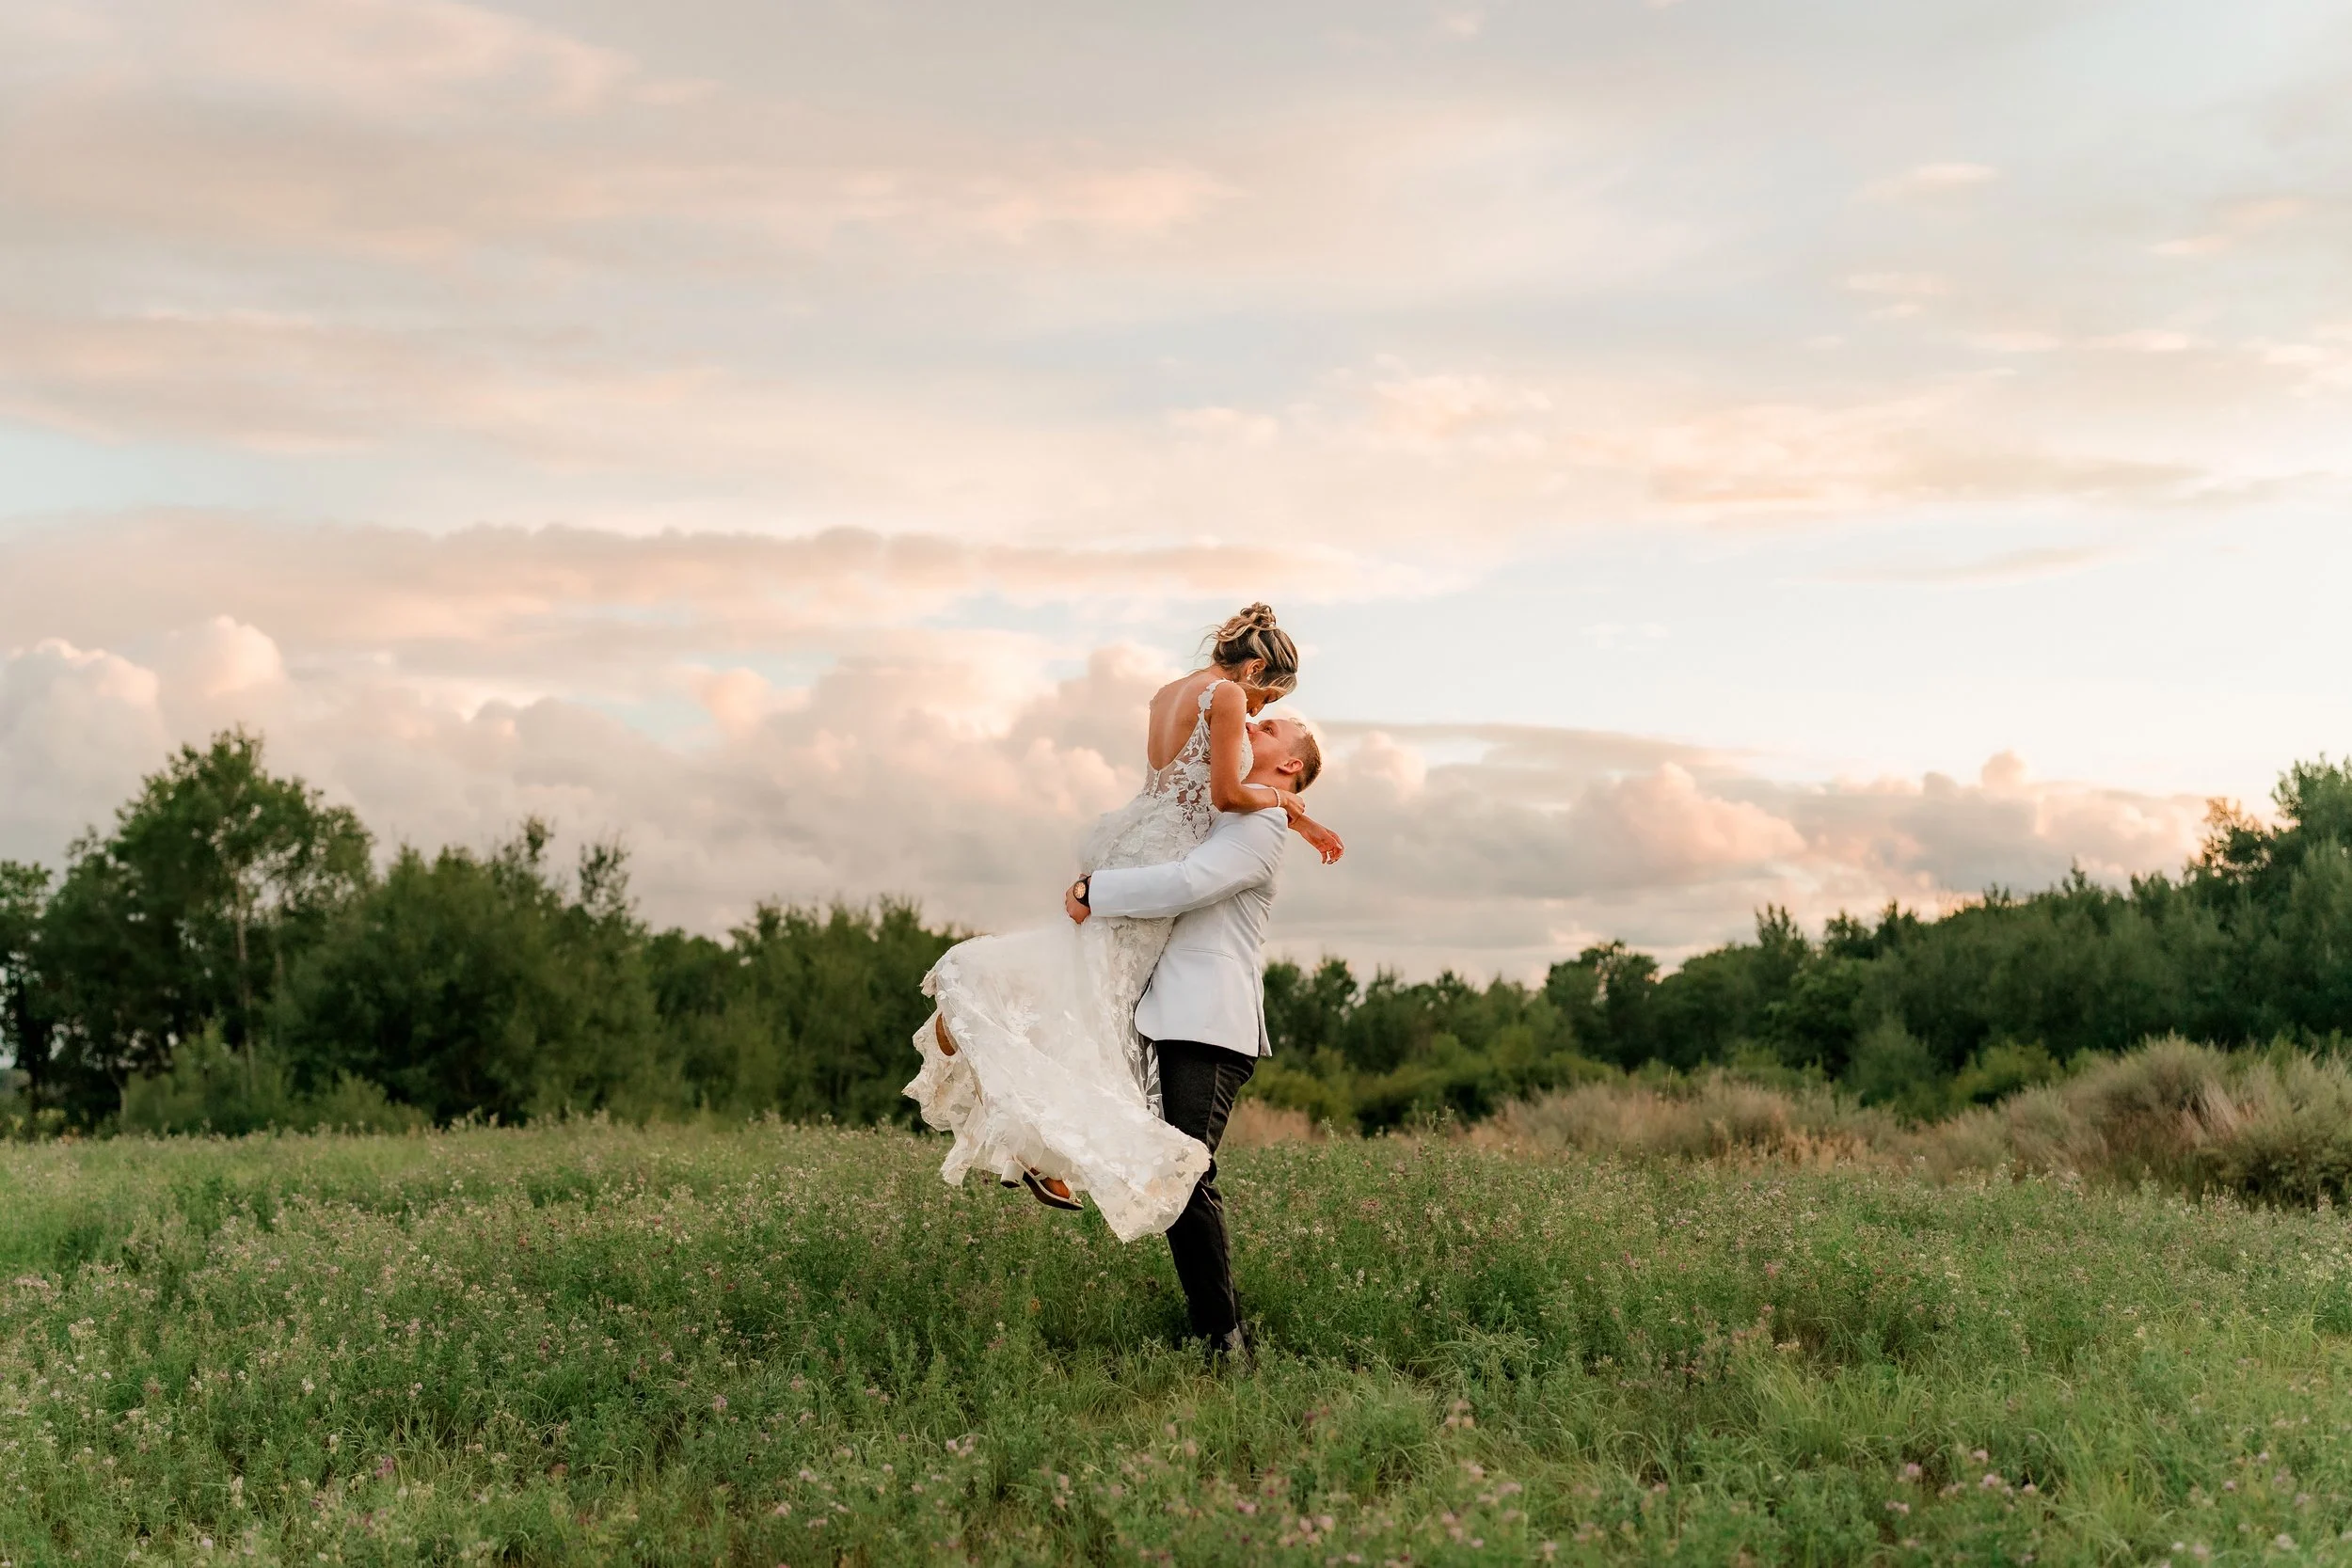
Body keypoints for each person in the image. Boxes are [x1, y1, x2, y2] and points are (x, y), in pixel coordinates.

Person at [903, 605, 1342, 1243]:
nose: (1254, 710)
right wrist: (1283, 800)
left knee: (1083, 983)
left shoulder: (1169, 693)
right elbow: (1224, 794)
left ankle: (1026, 1142)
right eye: (1264, 694)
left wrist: (1299, 817)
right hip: (1158, 862)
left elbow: (1191, 785)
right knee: (1095, 1003)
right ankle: (974, 1002)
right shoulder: (1223, 697)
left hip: (1135, 838)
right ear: (1253, 668)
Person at [1064, 715, 1319, 1363]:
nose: (1252, 723)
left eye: (1269, 727)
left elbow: (1188, 883)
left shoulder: (1259, 829)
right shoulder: (1239, 811)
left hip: (1210, 1024)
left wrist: (1101, 890)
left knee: (1184, 1173)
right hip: (1172, 1014)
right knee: (1175, 1173)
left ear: (1288, 765)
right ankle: (1218, 1331)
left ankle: (1224, 1339)